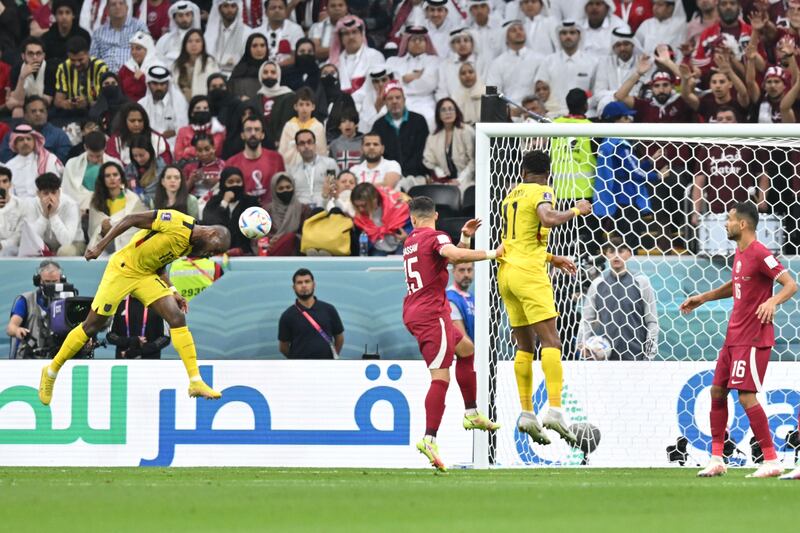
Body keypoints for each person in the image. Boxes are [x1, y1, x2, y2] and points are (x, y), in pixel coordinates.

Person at [38, 208, 231, 404]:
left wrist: (173, 290)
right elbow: (131, 219)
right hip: (122, 271)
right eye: (213, 251)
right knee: (91, 326)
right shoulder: (177, 222)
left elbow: (159, 263)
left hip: (146, 275)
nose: (209, 255)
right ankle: (51, 371)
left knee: (177, 317)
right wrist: (99, 246)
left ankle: (195, 381)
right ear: (212, 234)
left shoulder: (189, 245)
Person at [680, 202, 798, 478]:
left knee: (746, 396)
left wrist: (773, 300)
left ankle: (771, 460)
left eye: (729, 219)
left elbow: (790, 284)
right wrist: (703, 297)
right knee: (717, 392)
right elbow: (737, 284)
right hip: (733, 337)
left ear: (742, 224)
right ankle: (717, 458)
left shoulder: (760, 253)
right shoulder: (740, 252)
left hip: (754, 337)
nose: (725, 224)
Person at [498, 150, 590, 447]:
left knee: (524, 346)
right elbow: (547, 218)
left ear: (523, 170)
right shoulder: (542, 190)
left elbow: (518, 240)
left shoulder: (510, 195)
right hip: (529, 276)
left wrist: (551, 257)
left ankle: (526, 412)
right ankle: (554, 409)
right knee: (551, 342)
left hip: (507, 275)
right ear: (548, 173)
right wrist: (577, 210)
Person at [402, 196, 501, 471]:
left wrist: (466, 238)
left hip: (418, 310)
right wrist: (494, 253)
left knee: (466, 349)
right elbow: (455, 257)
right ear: (435, 215)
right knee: (440, 376)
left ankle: (471, 413)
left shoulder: (411, 241)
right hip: (432, 314)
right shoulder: (435, 236)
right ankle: (429, 438)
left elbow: (448, 258)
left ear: (412, 219)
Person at [594, 101, 666, 248]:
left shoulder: (607, 143)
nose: (630, 121)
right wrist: (657, 176)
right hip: (626, 198)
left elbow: (624, 168)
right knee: (630, 241)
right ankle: (628, 267)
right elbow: (634, 173)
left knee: (622, 239)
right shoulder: (620, 145)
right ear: (616, 120)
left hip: (614, 198)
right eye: (626, 118)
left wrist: (650, 161)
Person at [577, 239, 659, 360]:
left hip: (636, 357)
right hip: (606, 359)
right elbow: (586, 320)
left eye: (621, 251)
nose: (616, 255)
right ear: (606, 254)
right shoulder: (598, 284)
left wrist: (649, 355)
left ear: (629, 254)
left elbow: (652, 321)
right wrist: (581, 345)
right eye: (611, 251)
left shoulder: (641, 282)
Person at [370, 82, 429, 184]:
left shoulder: (419, 120)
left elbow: (423, 151)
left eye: (398, 97)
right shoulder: (378, 125)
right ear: (385, 102)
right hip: (389, 177)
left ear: (404, 100)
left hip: (417, 176)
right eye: (390, 98)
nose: (394, 101)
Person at [278, 268, 344, 359]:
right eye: (299, 282)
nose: (304, 285)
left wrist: (333, 357)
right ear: (294, 287)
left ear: (314, 285)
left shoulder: (329, 309)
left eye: (307, 281)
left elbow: (339, 337)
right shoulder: (287, 316)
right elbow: (283, 347)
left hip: (326, 367)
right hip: (300, 369)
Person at [535, 21, 597, 115]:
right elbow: (540, 90)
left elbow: (596, 92)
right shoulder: (548, 61)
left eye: (572, 33)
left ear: (579, 35)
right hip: (553, 114)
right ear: (558, 36)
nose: (568, 36)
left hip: (583, 115)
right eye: (564, 33)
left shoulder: (592, 62)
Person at [6, 260, 66, 358]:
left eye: (55, 282)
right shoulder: (26, 300)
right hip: (29, 357)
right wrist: (17, 330)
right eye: (47, 281)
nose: (51, 285)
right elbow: (10, 328)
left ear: (61, 280)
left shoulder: (67, 301)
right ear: (38, 281)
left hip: (57, 358)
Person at [386, 26, 440, 128]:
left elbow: (428, 84)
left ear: (426, 42)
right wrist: (413, 77)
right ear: (406, 42)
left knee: (429, 118)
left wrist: (402, 80)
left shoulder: (434, 61)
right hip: (397, 101)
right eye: (414, 39)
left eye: (421, 39)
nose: (417, 42)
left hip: (425, 102)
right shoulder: (393, 61)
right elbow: (391, 86)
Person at [19, 172, 84, 257]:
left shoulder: (70, 205)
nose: (50, 198)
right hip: (45, 244)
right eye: (46, 193)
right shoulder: (31, 204)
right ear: (38, 193)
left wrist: (53, 215)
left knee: (65, 251)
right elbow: (31, 239)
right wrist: (44, 215)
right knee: (32, 250)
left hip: (74, 243)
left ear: (59, 192)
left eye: (53, 193)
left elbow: (66, 241)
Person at [226, 116, 286, 207]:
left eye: (257, 129)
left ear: (262, 135)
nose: (253, 133)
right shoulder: (231, 163)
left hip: (273, 211)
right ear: (242, 135)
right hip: (242, 210)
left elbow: (283, 186)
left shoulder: (276, 158)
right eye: (249, 130)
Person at [88, 161, 147, 251]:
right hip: (103, 245)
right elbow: (94, 229)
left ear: (121, 178)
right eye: (108, 176)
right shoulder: (96, 202)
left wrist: (113, 226)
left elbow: (137, 227)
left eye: (115, 175)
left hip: (128, 244)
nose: (112, 178)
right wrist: (102, 227)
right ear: (103, 179)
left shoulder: (132, 199)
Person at [201, 166, 260, 254]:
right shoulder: (214, 202)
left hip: (244, 252)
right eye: (230, 182)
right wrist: (224, 203)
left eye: (238, 182)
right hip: (218, 252)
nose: (235, 185)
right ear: (223, 183)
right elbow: (211, 223)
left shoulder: (251, 202)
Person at [62, 130, 123, 214]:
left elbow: (122, 189)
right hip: (78, 211)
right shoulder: (71, 164)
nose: (94, 159)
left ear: (105, 148)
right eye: (91, 155)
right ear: (85, 147)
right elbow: (67, 193)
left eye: (98, 156)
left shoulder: (115, 164)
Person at [485, 19, 544, 105]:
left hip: (535, 110)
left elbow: (543, 89)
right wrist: (508, 110)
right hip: (508, 112)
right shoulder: (497, 63)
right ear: (505, 36)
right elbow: (494, 93)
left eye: (521, 29)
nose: (518, 32)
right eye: (513, 31)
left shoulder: (539, 59)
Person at [423, 98, 475, 191]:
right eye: (443, 110)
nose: (448, 112)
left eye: (451, 109)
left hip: (467, 180)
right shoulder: (433, 136)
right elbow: (428, 161)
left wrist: (459, 180)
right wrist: (442, 177)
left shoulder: (466, 131)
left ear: (456, 111)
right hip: (444, 182)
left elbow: (473, 161)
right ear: (438, 114)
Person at [0, 96, 72, 164]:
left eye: (41, 111)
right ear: (25, 115)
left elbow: (61, 162)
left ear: (46, 114)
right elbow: (4, 159)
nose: (38, 114)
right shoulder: (12, 135)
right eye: (33, 111)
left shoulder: (60, 135)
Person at [53, 36, 108, 117]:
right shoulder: (63, 68)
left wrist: (87, 103)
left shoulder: (100, 67)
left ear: (88, 54)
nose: (77, 64)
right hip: (71, 112)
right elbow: (58, 101)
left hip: (94, 111)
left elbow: (104, 101)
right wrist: (67, 103)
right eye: (72, 60)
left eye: (80, 60)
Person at [350, 182, 411, 255]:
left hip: (401, 245)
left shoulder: (397, 205)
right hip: (377, 248)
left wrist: (408, 237)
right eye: (357, 206)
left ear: (374, 200)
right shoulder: (358, 217)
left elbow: (414, 228)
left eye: (364, 205)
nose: (360, 209)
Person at [329, 15, 385, 94]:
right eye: (346, 33)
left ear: (362, 35)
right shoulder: (332, 62)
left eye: (354, 32)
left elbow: (377, 86)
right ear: (340, 38)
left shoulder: (375, 56)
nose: (351, 37)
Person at [6, 125, 64, 199]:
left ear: (34, 141)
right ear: (15, 144)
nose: (25, 142)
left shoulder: (48, 159)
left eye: (28, 139)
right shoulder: (9, 166)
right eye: (21, 140)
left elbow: (56, 188)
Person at [89, 0, 148, 73]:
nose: (118, 7)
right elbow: (93, 59)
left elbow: (148, 53)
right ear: (107, 9)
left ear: (127, 8)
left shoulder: (139, 27)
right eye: (113, 4)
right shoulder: (98, 33)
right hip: (106, 78)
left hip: (132, 75)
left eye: (121, 3)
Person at [106, 102, 172, 165]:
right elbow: (113, 165)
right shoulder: (115, 141)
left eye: (140, 120)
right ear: (124, 121)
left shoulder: (157, 139)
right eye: (132, 121)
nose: (137, 124)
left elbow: (166, 162)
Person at [5, 37, 57, 118]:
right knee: (17, 111)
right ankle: (21, 131)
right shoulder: (17, 68)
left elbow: (47, 100)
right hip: (24, 106)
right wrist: (22, 77)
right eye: (30, 53)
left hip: (43, 106)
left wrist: (21, 102)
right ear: (23, 56)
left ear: (43, 55)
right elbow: (17, 100)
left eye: (38, 53)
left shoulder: (50, 69)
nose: (35, 57)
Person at [138, 65, 189, 147]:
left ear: (168, 84)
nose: (159, 87)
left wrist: (173, 133)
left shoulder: (179, 102)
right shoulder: (141, 104)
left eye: (162, 84)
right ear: (148, 84)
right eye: (155, 84)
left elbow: (183, 130)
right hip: (147, 148)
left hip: (174, 148)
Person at [278, 87, 328, 167]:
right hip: (292, 167)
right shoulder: (289, 126)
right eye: (301, 104)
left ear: (313, 107)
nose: (304, 108)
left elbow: (322, 152)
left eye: (307, 104)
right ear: (295, 107)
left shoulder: (318, 127)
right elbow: (282, 152)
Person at [264, 172, 311, 256]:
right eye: (281, 188)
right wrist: (269, 241)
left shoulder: (304, 210)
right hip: (271, 250)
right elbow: (259, 237)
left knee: (291, 237)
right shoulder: (266, 211)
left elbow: (308, 236)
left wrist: (289, 239)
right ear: (274, 191)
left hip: (296, 251)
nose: (285, 190)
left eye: (288, 187)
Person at [288, 129, 338, 206]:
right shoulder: (293, 171)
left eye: (309, 142)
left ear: (315, 145)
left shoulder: (329, 164)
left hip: (325, 208)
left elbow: (334, 190)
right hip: (302, 212)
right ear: (297, 148)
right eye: (302, 143)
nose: (306, 146)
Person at [205, 0, 251, 76]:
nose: (229, 10)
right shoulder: (210, 32)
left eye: (233, 6)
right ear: (219, 8)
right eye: (226, 6)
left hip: (237, 78)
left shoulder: (247, 33)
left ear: (238, 8)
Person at [171, 29, 220, 101]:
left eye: (197, 41)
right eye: (190, 41)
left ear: (202, 44)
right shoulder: (176, 64)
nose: (193, 44)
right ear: (185, 44)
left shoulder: (210, 63)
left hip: (204, 103)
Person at [174, 96, 227, 161]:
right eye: (198, 108)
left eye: (205, 108)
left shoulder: (217, 130)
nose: (202, 111)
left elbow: (214, 151)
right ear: (191, 113)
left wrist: (187, 151)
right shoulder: (183, 131)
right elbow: (178, 155)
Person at [41, 0, 93, 65]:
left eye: (67, 12)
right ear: (55, 15)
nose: (64, 17)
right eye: (60, 13)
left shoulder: (83, 35)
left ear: (73, 15)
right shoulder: (46, 38)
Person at [258, 0, 305, 67]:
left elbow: (298, 56)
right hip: (261, 70)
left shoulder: (296, 29)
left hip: (288, 70)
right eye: (273, 8)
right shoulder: (257, 32)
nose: (277, 10)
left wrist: (276, 67)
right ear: (266, 13)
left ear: (286, 11)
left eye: (280, 8)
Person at [125, 134, 167, 208]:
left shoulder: (161, 169)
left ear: (150, 152)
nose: (138, 159)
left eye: (142, 155)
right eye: (135, 156)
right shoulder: (129, 169)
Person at [182, 134, 226, 201]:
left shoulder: (224, 165)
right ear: (195, 151)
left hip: (217, 202)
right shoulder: (190, 167)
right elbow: (180, 194)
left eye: (207, 149)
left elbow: (226, 186)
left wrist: (205, 179)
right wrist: (191, 181)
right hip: (194, 204)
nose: (203, 153)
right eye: (199, 150)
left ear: (214, 148)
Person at [228, 33, 270, 102]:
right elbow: (230, 93)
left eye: (262, 45)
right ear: (248, 48)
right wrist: (240, 98)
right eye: (254, 46)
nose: (259, 49)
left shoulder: (273, 70)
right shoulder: (239, 70)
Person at [119, 31, 158, 101]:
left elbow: (158, 92)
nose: (133, 52)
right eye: (132, 49)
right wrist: (133, 79)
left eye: (138, 48)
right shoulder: (126, 68)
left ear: (147, 50)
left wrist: (143, 78)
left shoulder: (157, 67)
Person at [447, 262, 474, 341]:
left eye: (469, 270)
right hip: (468, 352)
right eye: (462, 270)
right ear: (453, 271)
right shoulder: (450, 299)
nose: (466, 274)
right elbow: (462, 339)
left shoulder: (472, 297)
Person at [0, 166, 24, 257]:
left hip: (12, 249)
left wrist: (2, 245)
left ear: (10, 184)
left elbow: (18, 236)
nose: (1, 185)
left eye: (5, 181)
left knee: (9, 252)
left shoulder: (20, 205)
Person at [451, 61, 484, 125]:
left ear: (476, 74)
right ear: (459, 77)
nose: (467, 75)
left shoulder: (486, 92)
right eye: (463, 73)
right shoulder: (455, 97)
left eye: (471, 72)